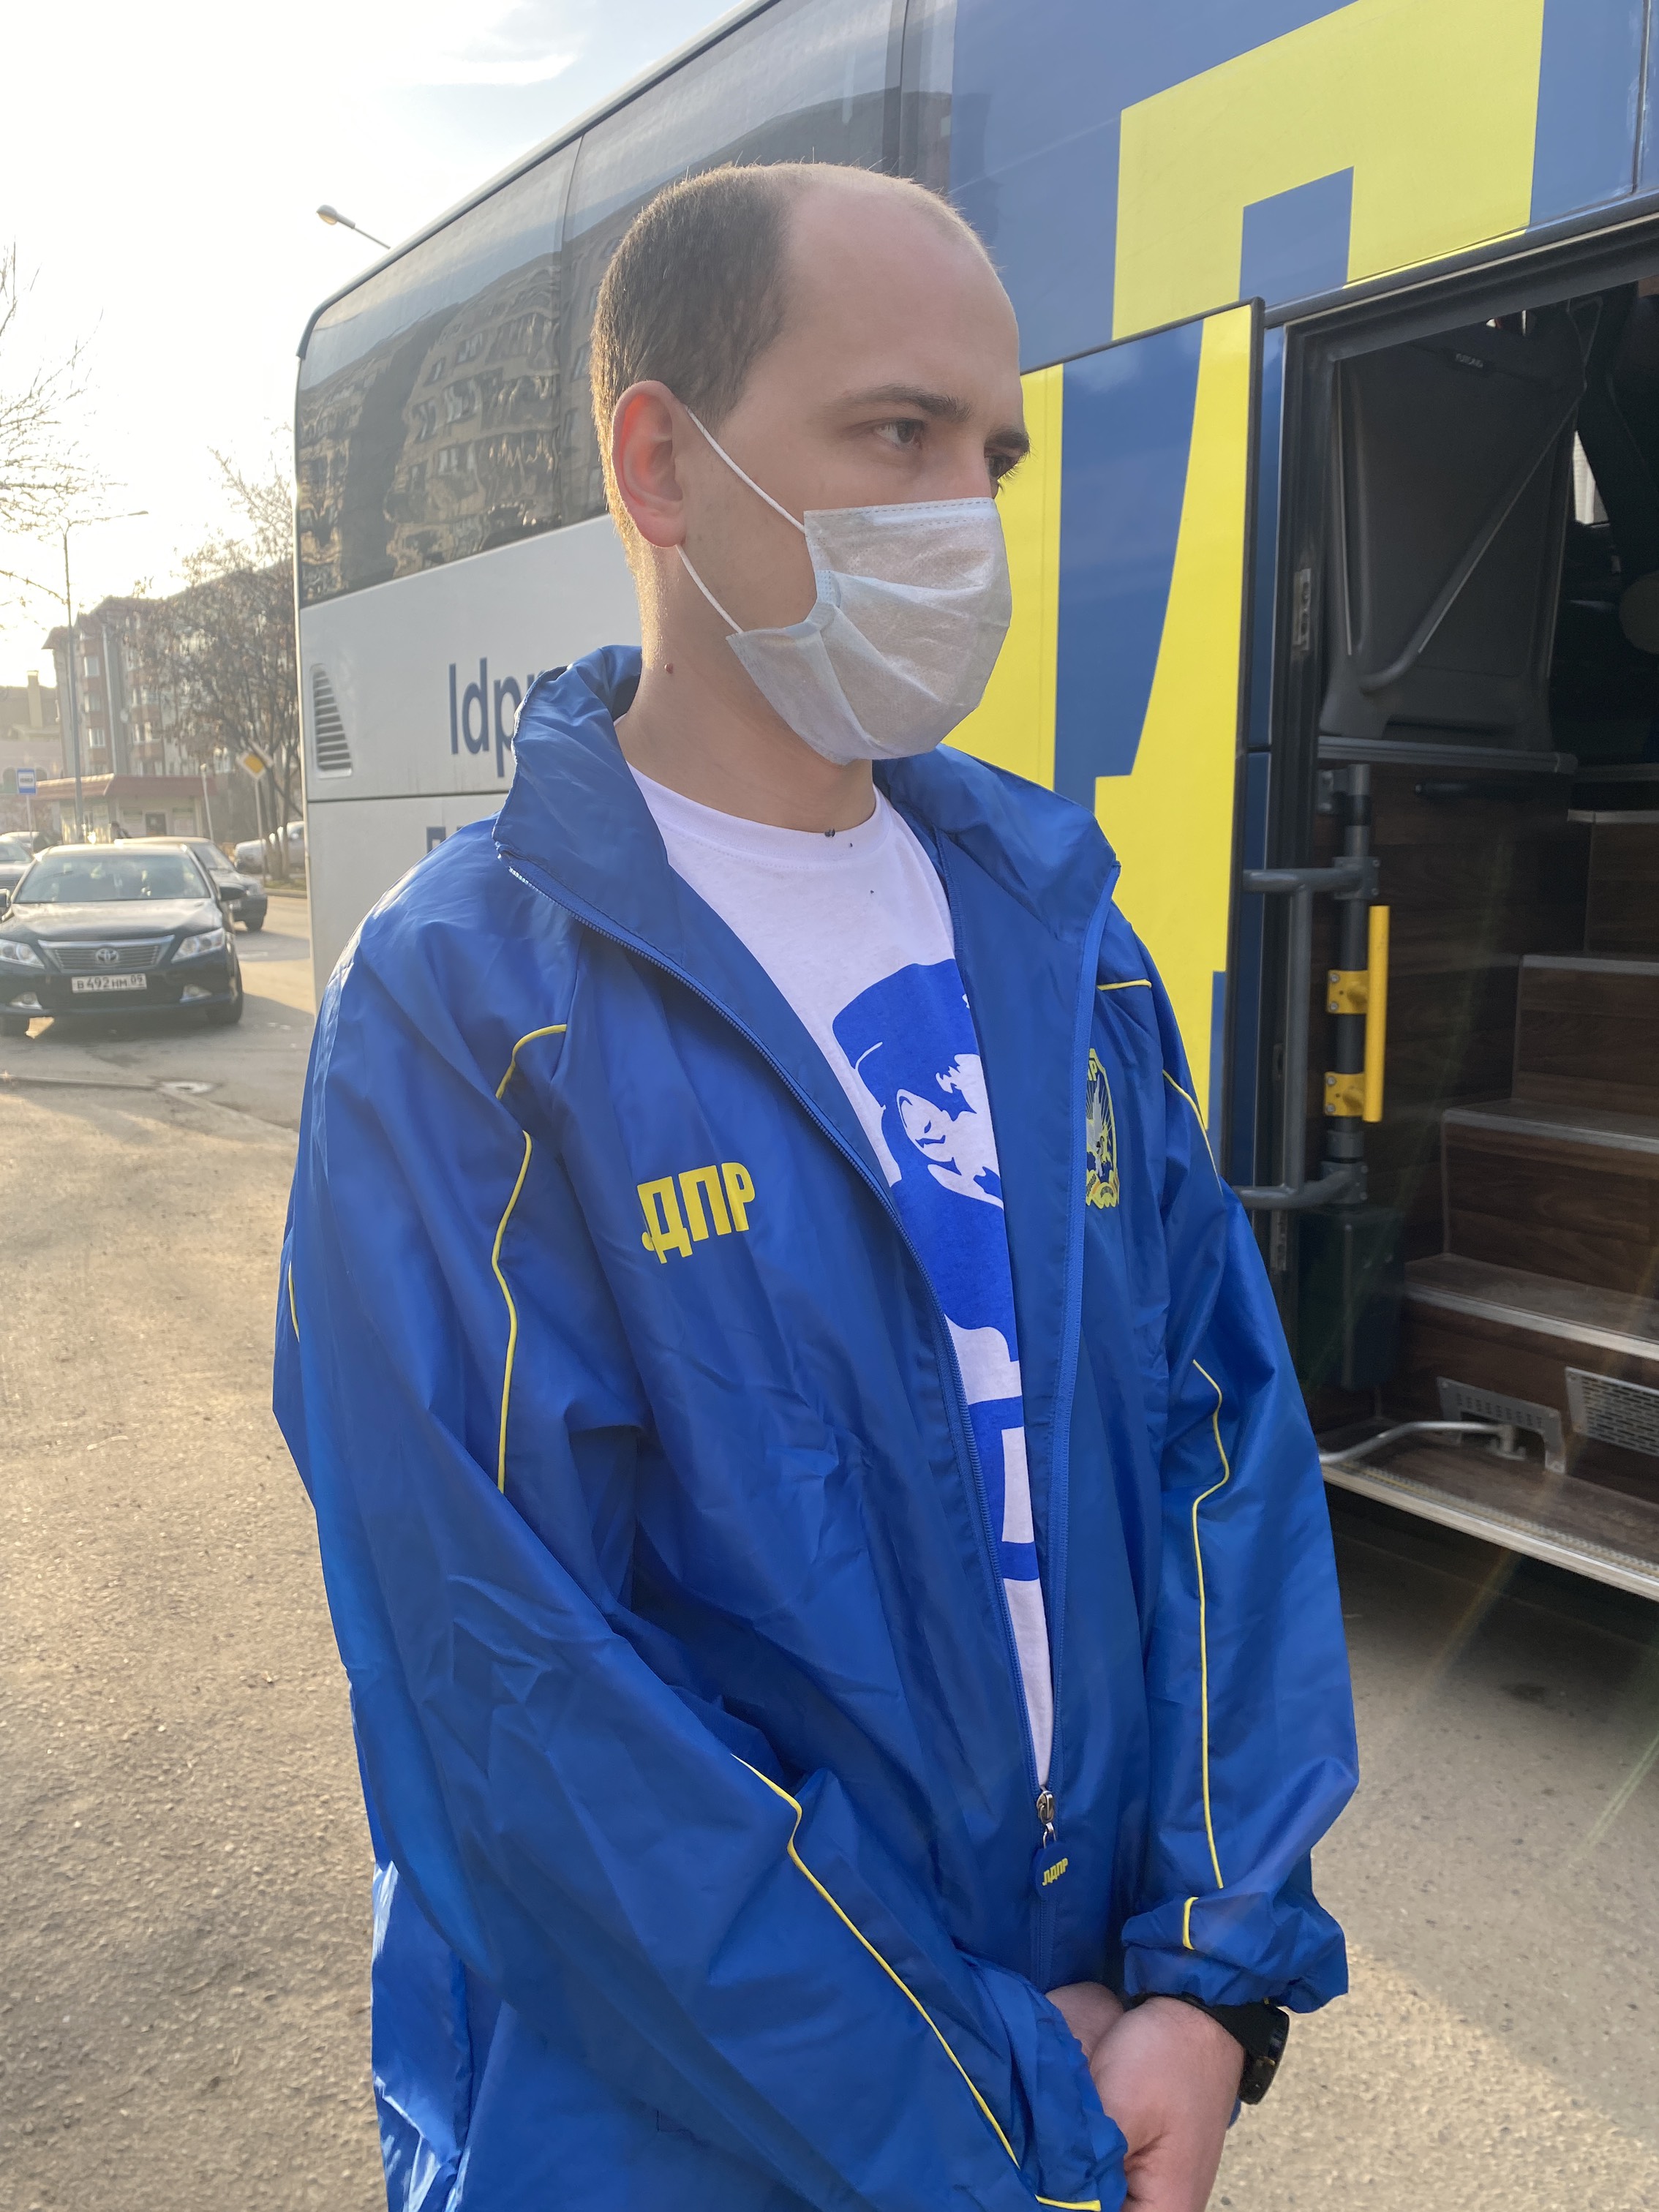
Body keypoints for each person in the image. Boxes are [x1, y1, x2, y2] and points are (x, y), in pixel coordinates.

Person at [276, 162, 1357, 2212]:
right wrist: (984, 2084)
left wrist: (1206, 1984)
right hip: (680, 2137)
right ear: (663, 466)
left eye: (993, 455)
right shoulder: (465, 1007)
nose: (966, 515)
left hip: (1083, 2075)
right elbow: (512, 1693)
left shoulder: (1063, 941)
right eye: (895, 432)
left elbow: (1219, 1447)